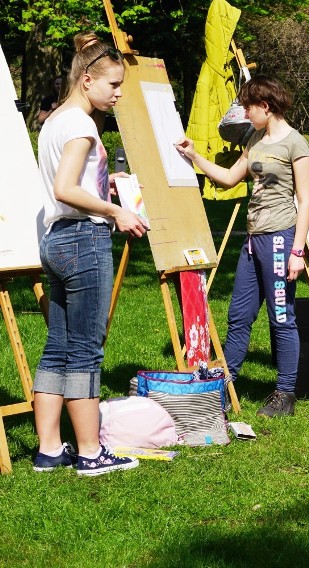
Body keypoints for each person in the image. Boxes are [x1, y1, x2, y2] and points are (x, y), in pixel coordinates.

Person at [33, 33, 148, 475]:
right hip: (82, 239)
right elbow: (65, 189)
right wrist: (114, 210)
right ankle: (88, 452)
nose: (118, 94)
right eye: (113, 85)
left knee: (57, 347)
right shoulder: (81, 125)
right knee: (84, 350)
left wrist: (106, 184)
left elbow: (66, 184)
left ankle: (48, 449)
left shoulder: (55, 120)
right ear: (87, 80)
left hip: (56, 240)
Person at [175, 76, 309, 418]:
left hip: (281, 239)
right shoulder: (254, 138)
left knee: (281, 318)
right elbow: (228, 177)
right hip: (253, 241)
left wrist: (297, 252)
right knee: (239, 315)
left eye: (249, 107)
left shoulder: (296, 144)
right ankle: (225, 383)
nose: (245, 113)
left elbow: (306, 202)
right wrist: (194, 157)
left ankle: (285, 394)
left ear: (266, 107)